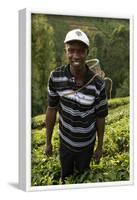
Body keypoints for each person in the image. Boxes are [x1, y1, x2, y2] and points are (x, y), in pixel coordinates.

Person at [45, 29, 108, 183]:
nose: (76, 56)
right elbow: (52, 109)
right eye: (71, 50)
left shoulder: (98, 84)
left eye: (80, 51)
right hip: (65, 142)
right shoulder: (56, 76)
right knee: (65, 177)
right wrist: (48, 142)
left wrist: (99, 146)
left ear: (87, 52)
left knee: (82, 178)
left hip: (87, 145)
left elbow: (100, 117)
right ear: (66, 51)